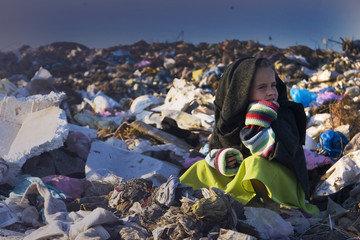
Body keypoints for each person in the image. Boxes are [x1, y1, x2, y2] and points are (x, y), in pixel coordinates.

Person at [180, 57, 319, 215]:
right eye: (262, 87)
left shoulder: (283, 113)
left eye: (273, 85)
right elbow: (218, 147)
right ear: (241, 91)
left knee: (255, 164)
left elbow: (283, 154)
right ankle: (182, 198)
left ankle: (268, 209)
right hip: (241, 181)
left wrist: (259, 120)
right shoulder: (230, 119)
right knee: (202, 167)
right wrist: (224, 159)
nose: (271, 92)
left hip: (282, 187)